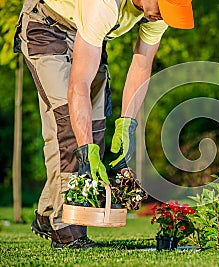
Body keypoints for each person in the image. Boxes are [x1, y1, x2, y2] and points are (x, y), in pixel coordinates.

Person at [14, 0, 194, 249]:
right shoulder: (102, 5)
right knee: (71, 128)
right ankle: (68, 232)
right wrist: (85, 149)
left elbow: (141, 65)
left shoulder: (158, 13)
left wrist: (127, 125)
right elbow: (78, 86)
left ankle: (47, 214)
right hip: (47, 28)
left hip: (86, 33)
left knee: (94, 128)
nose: (164, 17)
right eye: (164, 9)